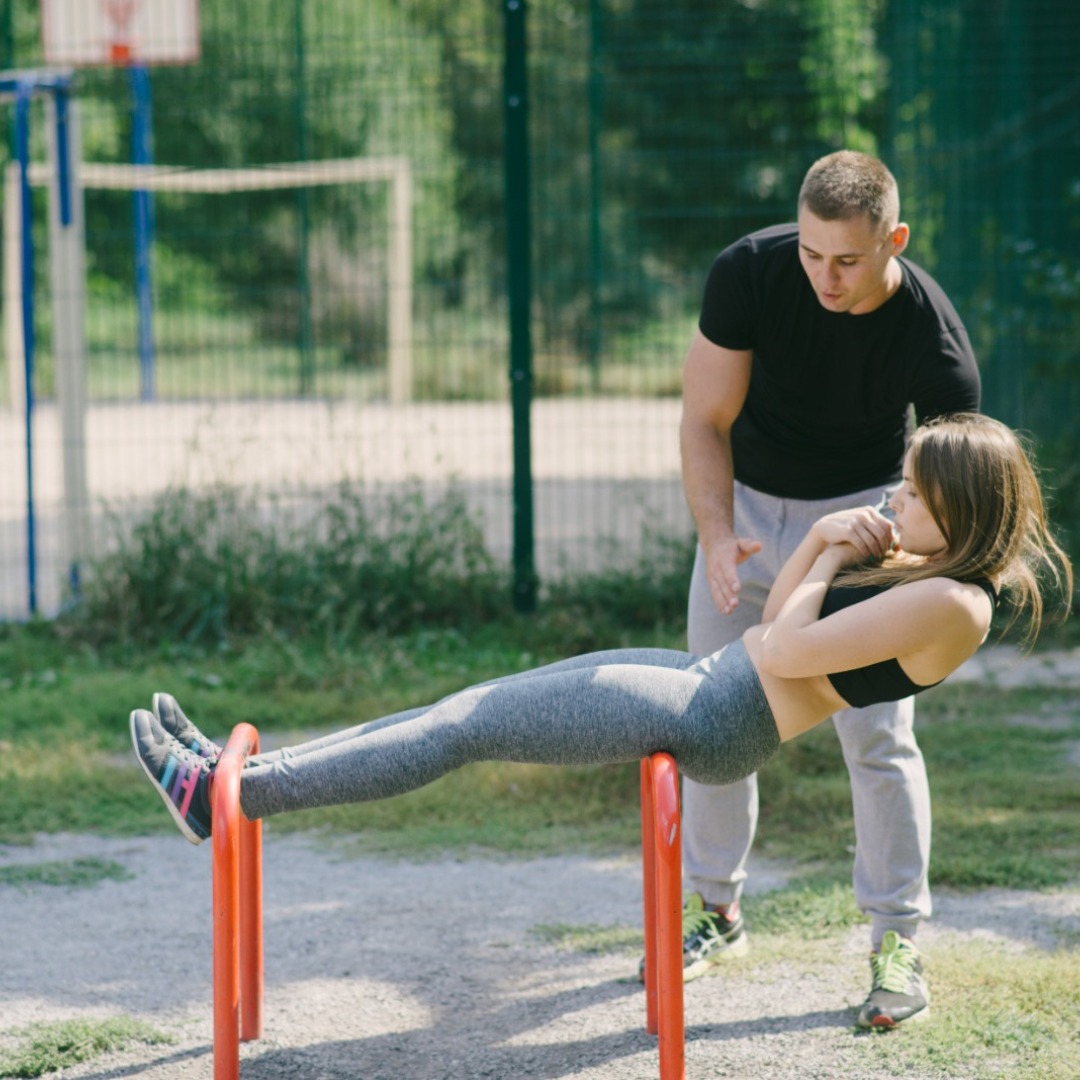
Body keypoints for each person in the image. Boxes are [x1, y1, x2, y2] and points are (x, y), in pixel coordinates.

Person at [133, 415, 1070, 1032]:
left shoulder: (954, 604)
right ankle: (232, 775)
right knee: (463, 706)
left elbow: (784, 650)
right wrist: (823, 543)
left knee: (466, 726)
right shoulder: (925, 569)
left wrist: (825, 549)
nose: (892, 503)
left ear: (956, 509)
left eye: (910, 494)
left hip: (716, 715)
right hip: (709, 680)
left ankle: (233, 802)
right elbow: (773, 621)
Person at [677, 149, 982, 1025]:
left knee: (879, 736)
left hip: (869, 523)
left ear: (895, 240)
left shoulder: (936, 345)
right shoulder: (748, 272)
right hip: (747, 514)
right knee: (708, 724)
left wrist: (910, 578)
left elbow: (956, 503)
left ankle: (898, 943)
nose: (825, 276)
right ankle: (716, 912)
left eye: (847, 259)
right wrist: (715, 535)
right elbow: (704, 417)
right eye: (812, 254)